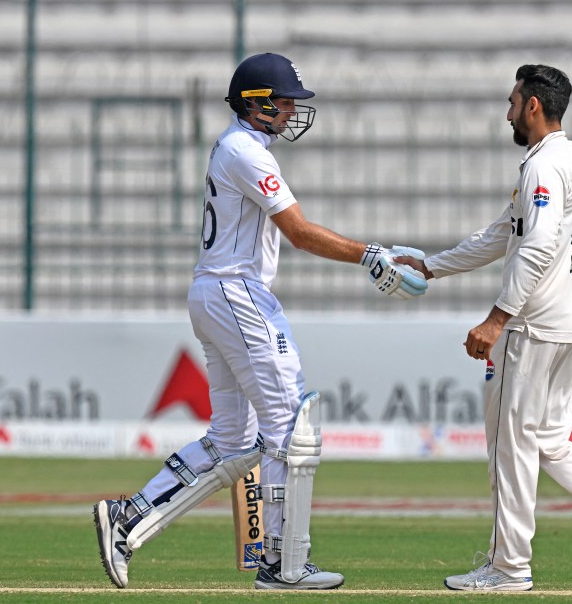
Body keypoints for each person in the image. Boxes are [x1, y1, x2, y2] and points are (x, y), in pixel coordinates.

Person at [92, 52, 426, 591]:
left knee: (232, 441)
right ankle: (282, 562)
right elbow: (297, 232)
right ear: (258, 102)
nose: (294, 109)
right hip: (236, 293)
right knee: (290, 426)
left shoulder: (239, 148)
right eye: (286, 100)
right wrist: (370, 256)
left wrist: (373, 253)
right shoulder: (245, 151)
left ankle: (129, 517)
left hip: (217, 291)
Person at [397, 64, 572, 593]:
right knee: (550, 441)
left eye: (513, 100)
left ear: (533, 105)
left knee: (511, 445)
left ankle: (509, 566)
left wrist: (497, 319)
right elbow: (503, 235)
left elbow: (535, 248)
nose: (507, 111)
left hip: (533, 325)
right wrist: (432, 265)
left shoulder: (543, 166)